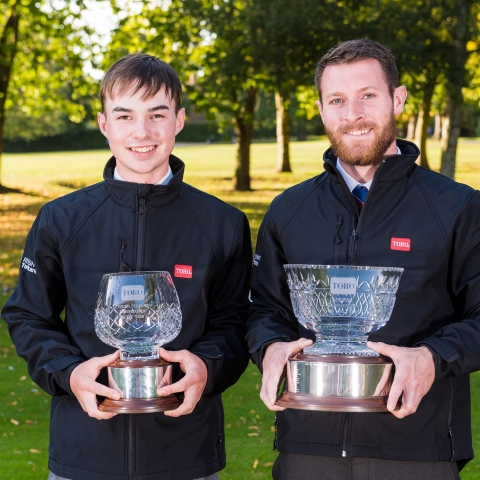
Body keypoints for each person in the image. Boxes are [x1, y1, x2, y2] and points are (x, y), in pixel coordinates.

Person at [2, 54, 252, 480]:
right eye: (125, 115)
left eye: (158, 114)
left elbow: (236, 320)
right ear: (104, 124)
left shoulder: (222, 223)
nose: (142, 132)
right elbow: (28, 315)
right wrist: (68, 372)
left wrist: (207, 367)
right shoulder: (60, 219)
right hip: (84, 454)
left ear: (179, 120)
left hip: (185, 453)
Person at [246, 38, 480, 480]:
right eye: (337, 100)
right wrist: (270, 347)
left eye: (367, 96)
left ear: (398, 99)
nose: (352, 114)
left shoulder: (457, 206)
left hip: (416, 445)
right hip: (306, 446)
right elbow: (263, 310)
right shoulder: (287, 210)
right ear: (320, 108)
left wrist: (432, 356)